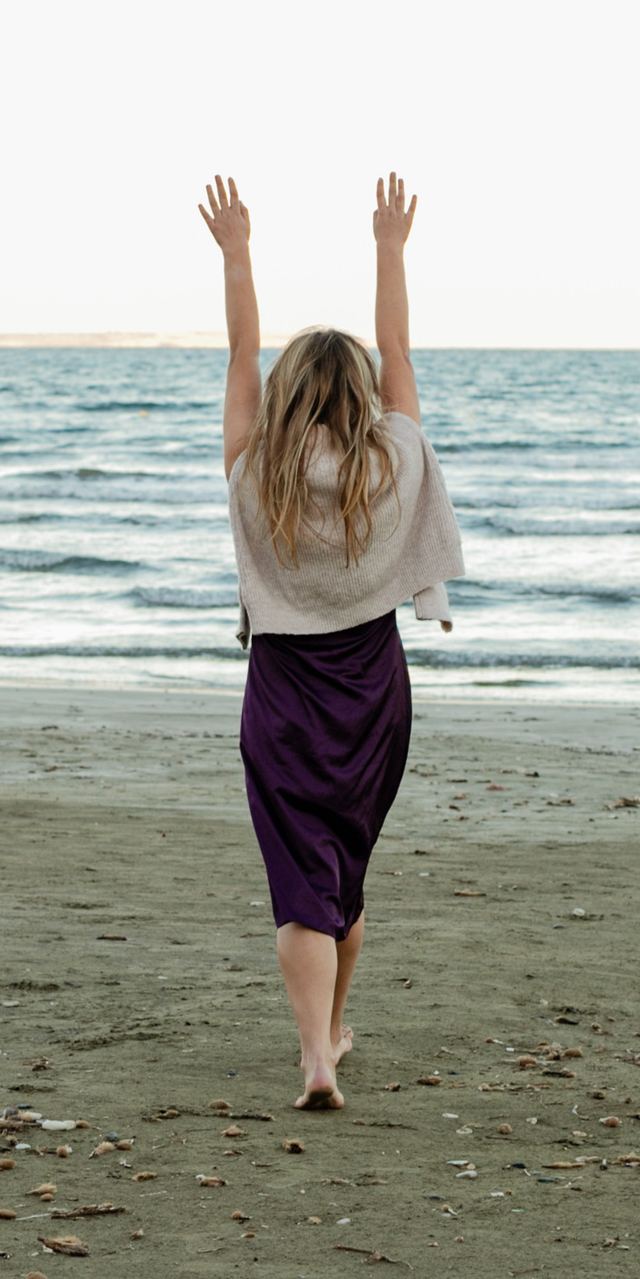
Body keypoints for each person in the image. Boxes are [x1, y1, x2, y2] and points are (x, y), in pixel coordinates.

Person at [198, 173, 465, 1110]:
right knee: (342, 874)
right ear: (361, 396)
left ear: (284, 398)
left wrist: (237, 255)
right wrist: (390, 249)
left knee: (299, 877)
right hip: (372, 692)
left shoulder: (254, 471)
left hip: (282, 691)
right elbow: (398, 350)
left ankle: (319, 1052)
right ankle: (329, 1038)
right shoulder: (395, 461)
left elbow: (241, 351)